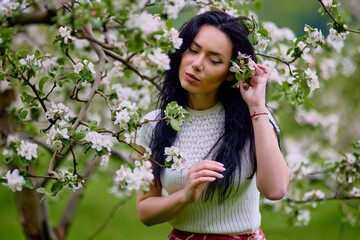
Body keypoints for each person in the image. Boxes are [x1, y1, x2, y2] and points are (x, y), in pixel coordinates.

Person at [135, 10, 289, 240]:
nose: (197, 64)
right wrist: (186, 195)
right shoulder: (154, 124)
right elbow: (146, 212)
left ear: (230, 74)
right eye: (193, 50)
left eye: (214, 60)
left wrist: (257, 105)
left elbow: (275, 189)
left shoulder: (255, 120)